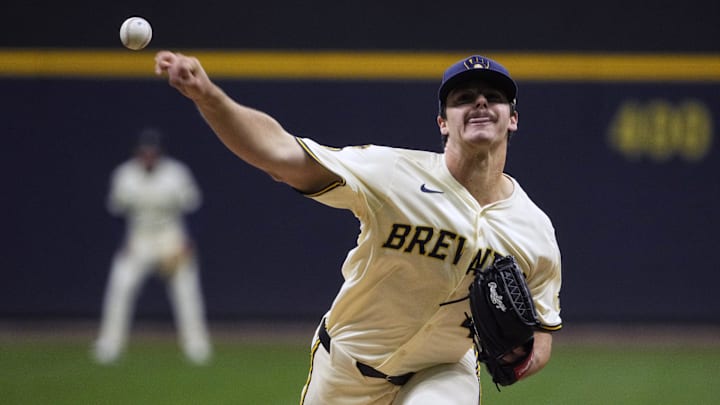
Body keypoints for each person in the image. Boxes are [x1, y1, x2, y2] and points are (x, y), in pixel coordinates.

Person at [154, 51, 562, 403]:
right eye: (463, 98)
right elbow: (279, 155)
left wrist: (521, 360)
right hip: (346, 367)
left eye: (494, 97)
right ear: (442, 121)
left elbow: (541, 333)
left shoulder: (534, 229)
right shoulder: (392, 173)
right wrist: (209, 96)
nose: (480, 103)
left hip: (442, 370)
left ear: (512, 119)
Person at [93, 128, 212, 365]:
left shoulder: (176, 174)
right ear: (138, 153)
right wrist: (122, 242)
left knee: (187, 293)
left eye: (152, 152)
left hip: (171, 237)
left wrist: (187, 242)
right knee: (120, 288)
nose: (148, 156)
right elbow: (115, 213)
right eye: (144, 152)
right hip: (139, 238)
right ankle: (109, 344)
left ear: (159, 153)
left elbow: (194, 210)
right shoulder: (125, 175)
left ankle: (196, 346)